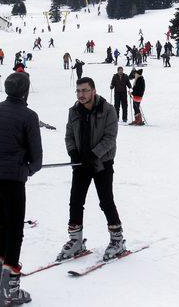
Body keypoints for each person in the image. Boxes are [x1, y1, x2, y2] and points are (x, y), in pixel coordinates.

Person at [0, 72, 42, 305]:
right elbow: (36, 158)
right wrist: (26, 168)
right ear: (25, 91)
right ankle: (9, 291)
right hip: (13, 179)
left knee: (3, 227)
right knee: (15, 230)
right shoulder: (29, 116)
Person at [58, 76, 125, 263]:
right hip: (80, 164)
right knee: (75, 201)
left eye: (85, 90)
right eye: (78, 91)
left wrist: (93, 155)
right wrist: (73, 153)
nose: (81, 94)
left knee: (106, 201)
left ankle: (117, 239)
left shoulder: (108, 110)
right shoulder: (74, 111)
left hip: (102, 163)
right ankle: (76, 240)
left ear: (93, 90)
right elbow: (69, 136)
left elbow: (110, 137)